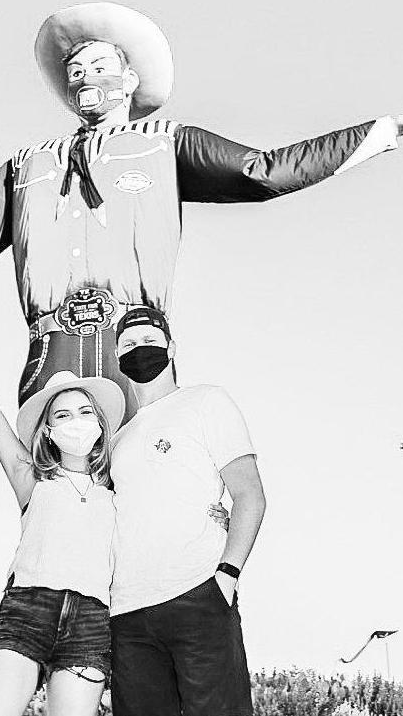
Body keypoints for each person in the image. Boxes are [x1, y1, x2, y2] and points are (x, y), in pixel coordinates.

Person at [0, 3, 403, 415]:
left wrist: (383, 131)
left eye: (99, 63)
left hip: (136, 341)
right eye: (74, 67)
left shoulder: (165, 144)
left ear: (128, 82)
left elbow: (265, 171)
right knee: (58, 511)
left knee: (148, 496)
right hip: (49, 353)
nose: (83, 74)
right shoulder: (26, 167)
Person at [0, 342, 229, 716]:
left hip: (90, 625)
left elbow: (164, 505)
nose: (76, 421)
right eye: (64, 415)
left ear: (101, 426)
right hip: (26, 613)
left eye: (86, 412)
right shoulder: (32, 481)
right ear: (48, 431)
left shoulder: (118, 492)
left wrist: (216, 515)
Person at [108, 307, 266, 716]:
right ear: (117, 356)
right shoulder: (118, 439)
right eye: (128, 344)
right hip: (128, 615)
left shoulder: (206, 401)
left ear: (171, 348)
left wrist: (226, 576)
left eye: (148, 341)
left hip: (198, 595)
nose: (139, 350)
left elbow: (249, 493)